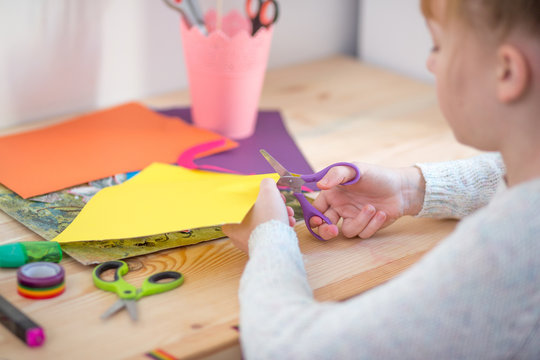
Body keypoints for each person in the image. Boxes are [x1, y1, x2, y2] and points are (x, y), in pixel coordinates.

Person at [222, 0, 540, 358]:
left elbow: (290, 349)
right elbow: (507, 171)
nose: (430, 63)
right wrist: (411, 188)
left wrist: (267, 238)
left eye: (438, 45)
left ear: (507, 72)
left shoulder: (508, 253)